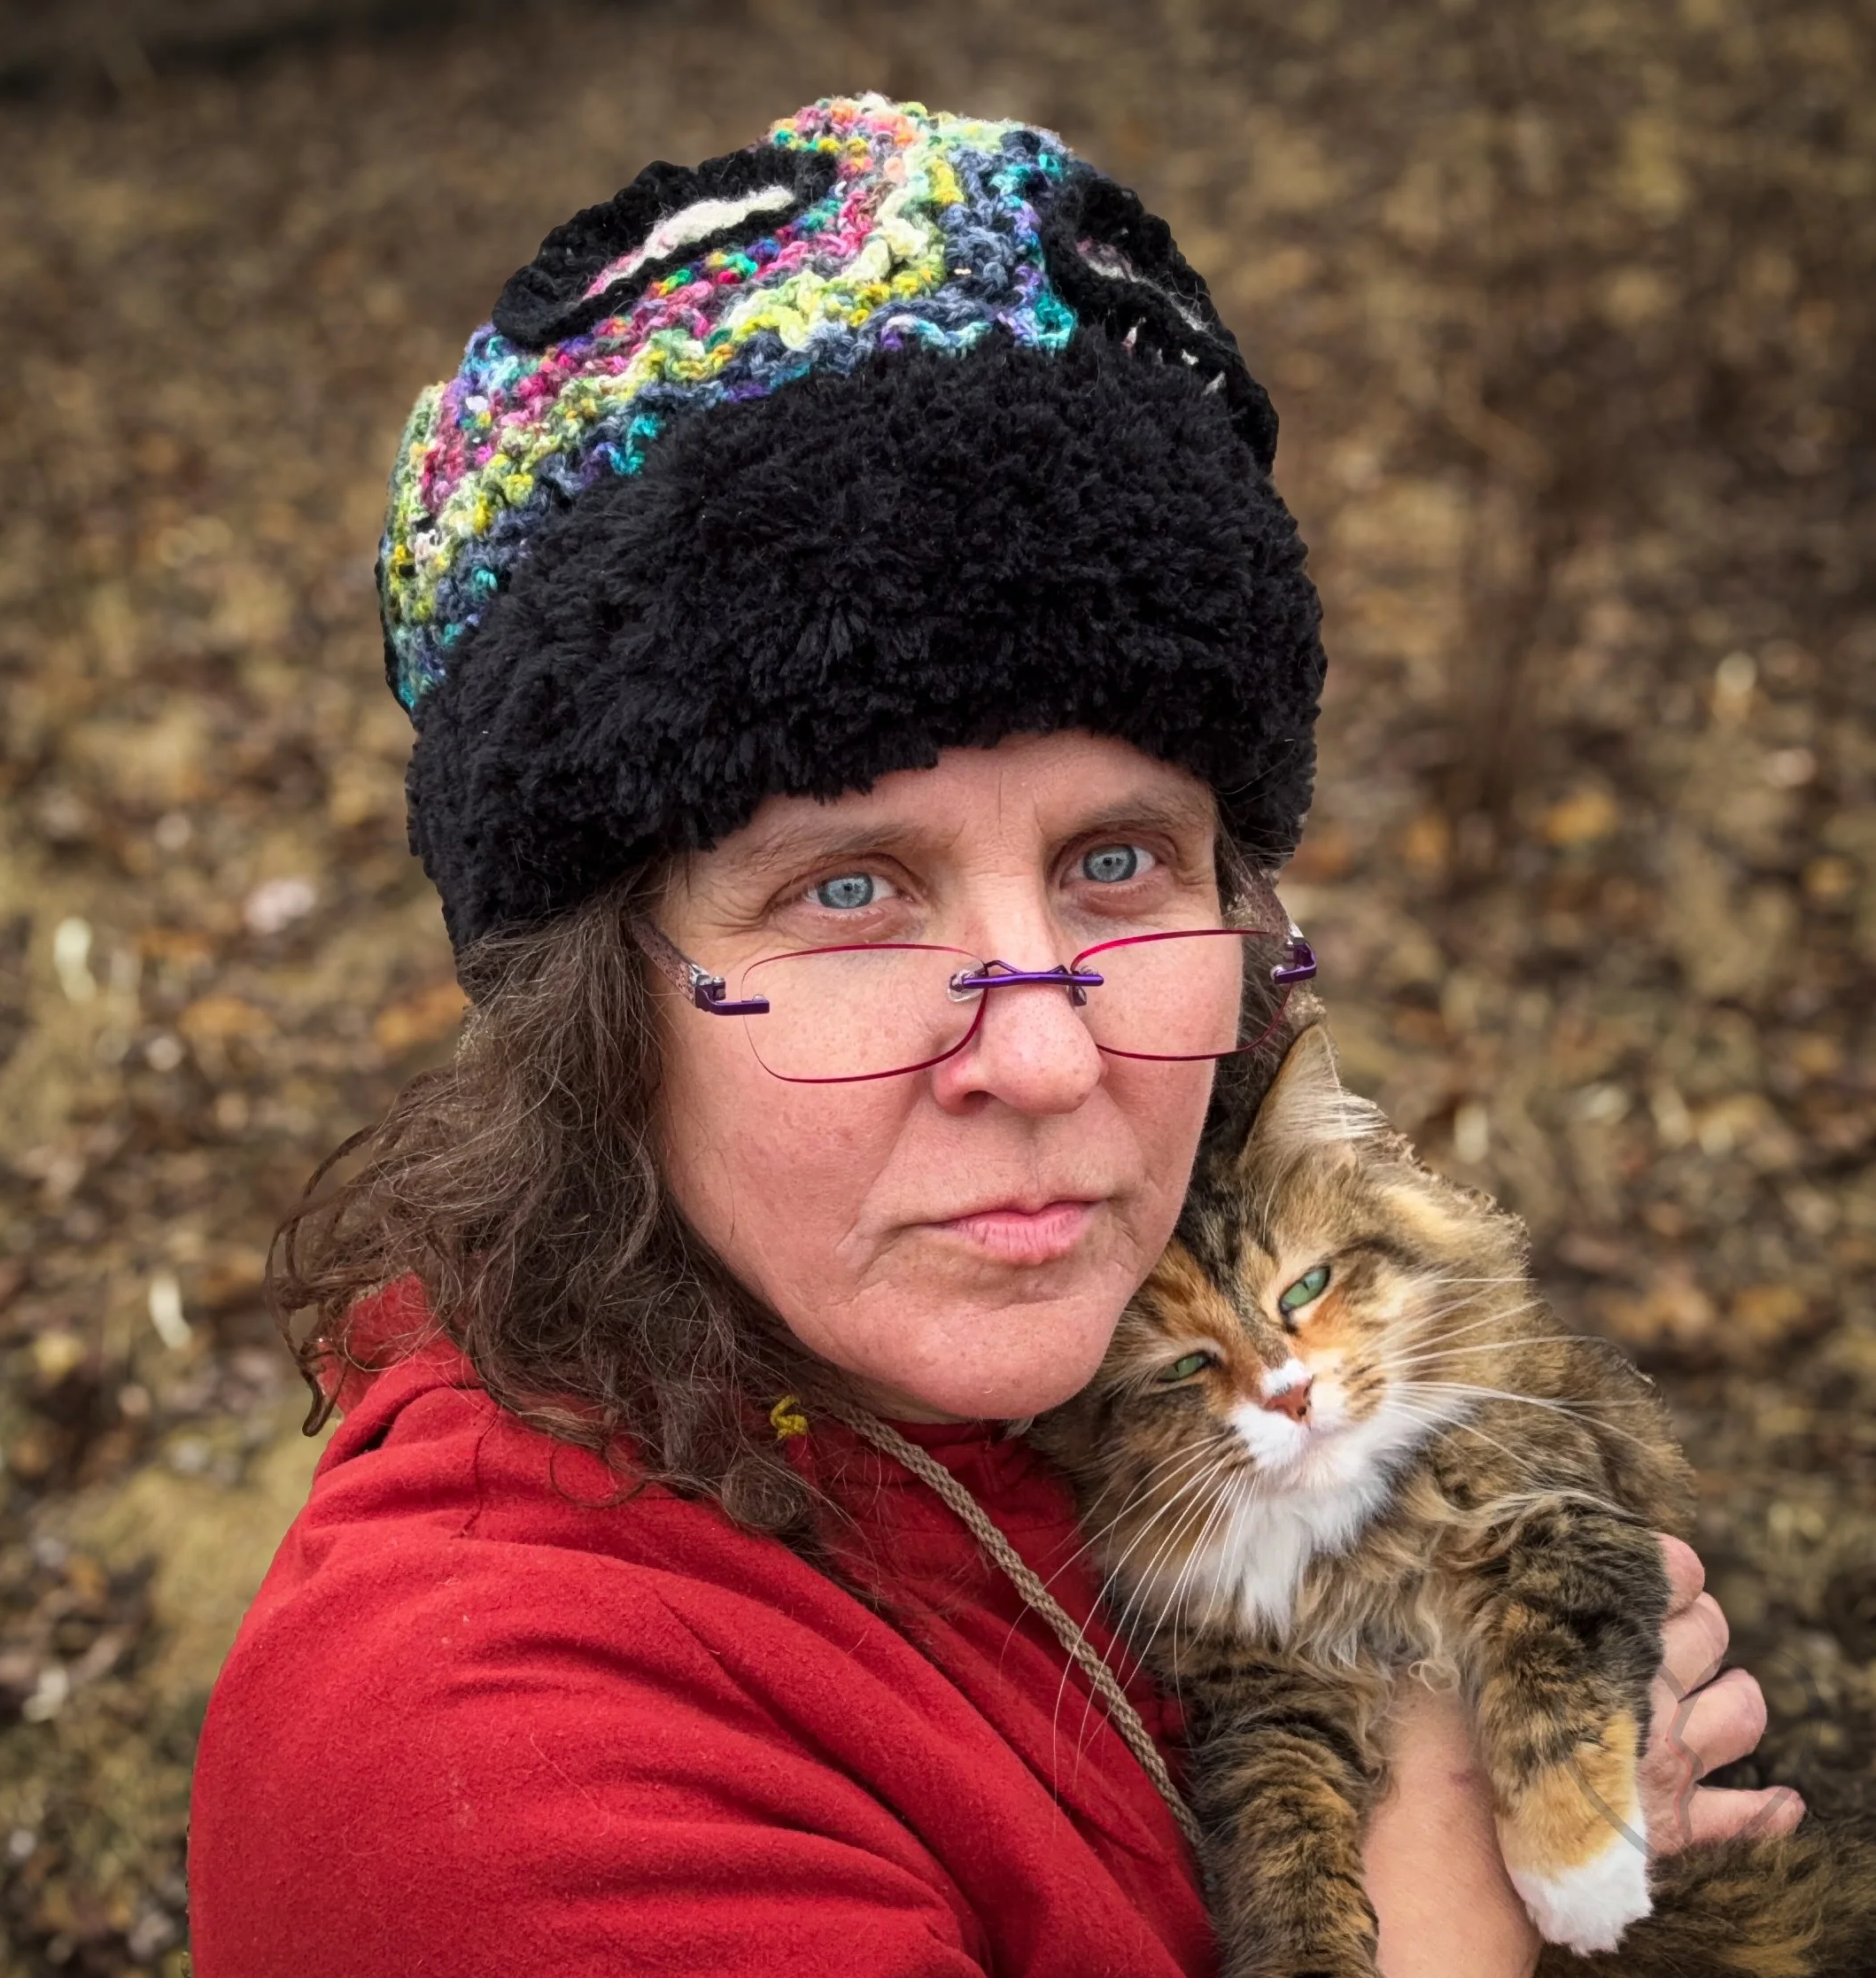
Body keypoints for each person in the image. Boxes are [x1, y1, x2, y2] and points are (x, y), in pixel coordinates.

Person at [187, 96, 1796, 1976]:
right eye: (850, 893)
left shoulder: (1087, 1365)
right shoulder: (475, 1783)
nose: (1044, 1063)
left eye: (1120, 861)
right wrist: (1450, 1846)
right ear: (593, 1007)